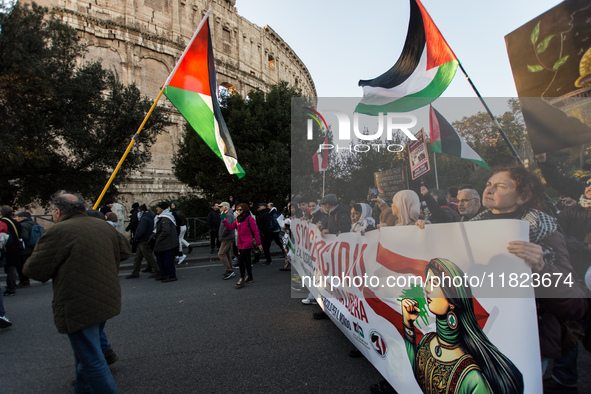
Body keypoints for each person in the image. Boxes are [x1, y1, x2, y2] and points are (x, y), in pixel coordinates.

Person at [469, 166, 588, 393]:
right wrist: (423, 234)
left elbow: (576, 303)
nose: (490, 189)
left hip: (529, 335)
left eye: (501, 186)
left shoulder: (546, 232)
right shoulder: (466, 230)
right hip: (483, 332)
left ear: (523, 196)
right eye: (488, 184)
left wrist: (542, 267)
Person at [23, 192, 131, 393]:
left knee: (91, 357)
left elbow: (34, 270)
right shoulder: (101, 225)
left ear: (57, 211)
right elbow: (125, 251)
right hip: (106, 296)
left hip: (78, 301)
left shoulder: (59, 231)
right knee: (86, 352)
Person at [401, 258, 524, 393]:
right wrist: (408, 323)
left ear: (452, 298)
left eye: (434, 283)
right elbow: (416, 369)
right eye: (428, 282)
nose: (427, 289)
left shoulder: (472, 378)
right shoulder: (427, 341)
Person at [222, 202, 262, 288]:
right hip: (240, 243)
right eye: (237, 210)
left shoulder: (249, 219)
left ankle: (242, 278)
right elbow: (230, 228)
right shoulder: (238, 219)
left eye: (240, 210)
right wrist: (224, 221)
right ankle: (250, 276)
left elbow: (256, 231)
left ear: (245, 210)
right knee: (247, 261)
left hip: (247, 243)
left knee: (241, 260)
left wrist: (259, 243)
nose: (238, 211)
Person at [126, 204, 160, 279]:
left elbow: (142, 230)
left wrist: (136, 237)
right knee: (138, 257)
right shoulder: (149, 217)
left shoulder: (144, 218)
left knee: (148, 257)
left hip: (143, 240)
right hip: (144, 239)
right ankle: (135, 272)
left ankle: (157, 271)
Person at [152, 202, 179, 282]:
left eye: (158, 207)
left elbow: (165, 231)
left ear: (162, 209)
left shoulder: (166, 218)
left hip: (167, 243)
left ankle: (171, 275)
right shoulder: (163, 217)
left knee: (168, 260)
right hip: (164, 243)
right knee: (161, 259)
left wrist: (158, 239)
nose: (156, 208)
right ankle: (164, 274)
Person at [1, 206, 22, 296]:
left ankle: (10, 288)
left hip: (7, 248)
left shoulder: (3, 222)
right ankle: (12, 286)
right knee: (12, 268)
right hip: (15, 247)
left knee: (10, 269)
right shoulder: (15, 222)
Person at [15, 211, 37, 288]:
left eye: (18, 217)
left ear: (23, 218)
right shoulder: (34, 223)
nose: (16, 219)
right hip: (33, 246)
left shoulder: (23, 225)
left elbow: (25, 236)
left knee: (22, 265)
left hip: (25, 248)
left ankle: (24, 281)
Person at [218, 202, 236, 280]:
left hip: (227, 237)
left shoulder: (228, 215)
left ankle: (229, 269)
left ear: (225, 207)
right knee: (227, 253)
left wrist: (222, 235)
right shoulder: (226, 214)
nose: (219, 208)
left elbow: (227, 227)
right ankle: (230, 269)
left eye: (220, 207)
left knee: (221, 253)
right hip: (227, 237)